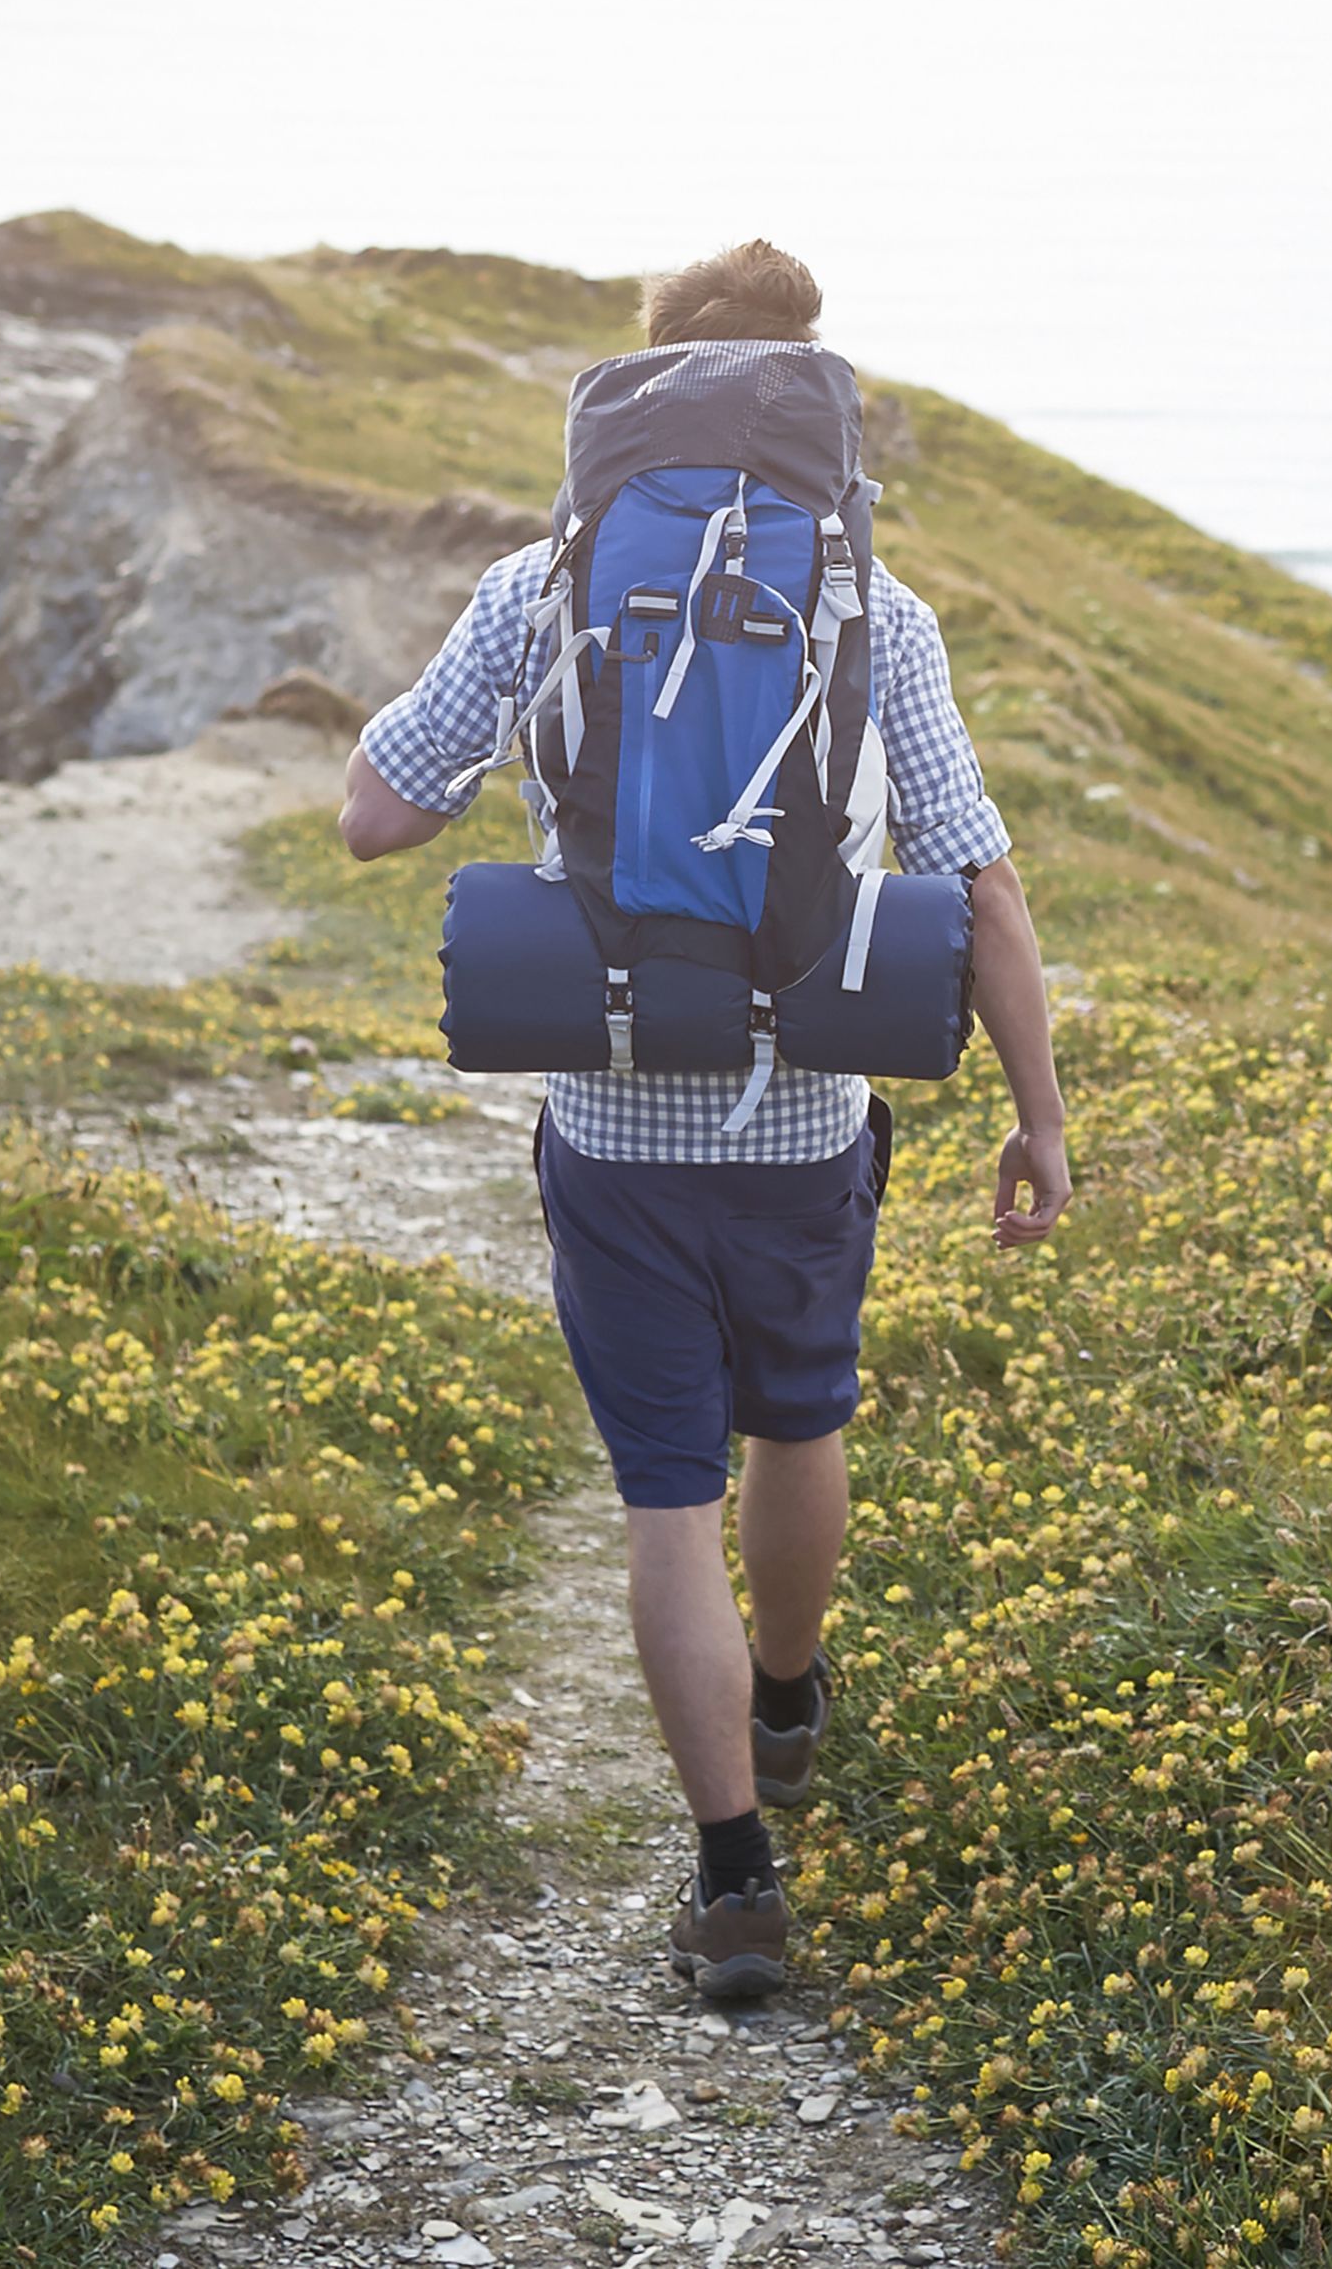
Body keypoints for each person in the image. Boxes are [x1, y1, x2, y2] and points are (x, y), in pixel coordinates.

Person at [338, 237, 1077, 2000]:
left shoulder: (545, 585)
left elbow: (373, 819)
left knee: (666, 1500)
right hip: (807, 1112)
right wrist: (1040, 1118)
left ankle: (734, 1884)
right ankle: (793, 1703)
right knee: (798, 1427)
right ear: (805, 389)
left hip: (610, 1121)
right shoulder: (871, 606)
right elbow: (979, 886)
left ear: (645, 379)